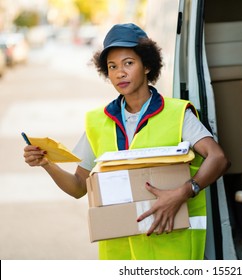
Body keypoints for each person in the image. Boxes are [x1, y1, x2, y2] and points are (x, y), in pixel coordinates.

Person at [23, 23, 230, 260]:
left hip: (172, 252)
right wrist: (47, 163)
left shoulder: (177, 113)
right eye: (112, 66)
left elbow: (219, 158)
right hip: (120, 257)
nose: (120, 72)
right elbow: (79, 187)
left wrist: (184, 192)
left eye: (128, 63)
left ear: (147, 65)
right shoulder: (98, 122)